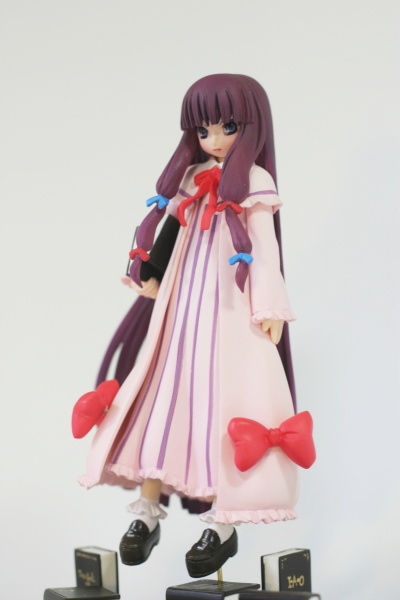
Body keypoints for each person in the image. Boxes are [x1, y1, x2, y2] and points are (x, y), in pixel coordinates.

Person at [74, 74, 314, 578]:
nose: (215, 139)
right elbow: (172, 227)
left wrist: (270, 305)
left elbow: (264, 248)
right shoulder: (193, 176)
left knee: (222, 409)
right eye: (204, 131)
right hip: (182, 310)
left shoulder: (254, 182)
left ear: (249, 127)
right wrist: (152, 270)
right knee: (161, 401)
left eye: (227, 127)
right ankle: (146, 513)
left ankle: (221, 527)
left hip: (230, 309)